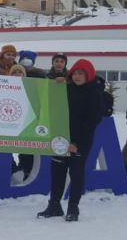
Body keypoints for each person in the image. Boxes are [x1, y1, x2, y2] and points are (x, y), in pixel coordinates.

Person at [37, 59, 103, 222]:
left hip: (79, 141)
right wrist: (57, 82)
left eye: (81, 73)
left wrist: (76, 143)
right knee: (57, 171)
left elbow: (91, 122)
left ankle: (73, 208)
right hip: (60, 138)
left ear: (89, 75)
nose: (77, 76)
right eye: (75, 73)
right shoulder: (66, 88)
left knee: (76, 173)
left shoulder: (94, 92)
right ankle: (54, 205)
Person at [8, 64, 34, 182]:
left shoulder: (31, 88)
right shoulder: (4, 87)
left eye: (20, 72)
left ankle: (27, 169)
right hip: (7, 122)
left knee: (26, 149)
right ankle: (12, 168)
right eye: (14, 72)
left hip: (25, 122)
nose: (17, 74)